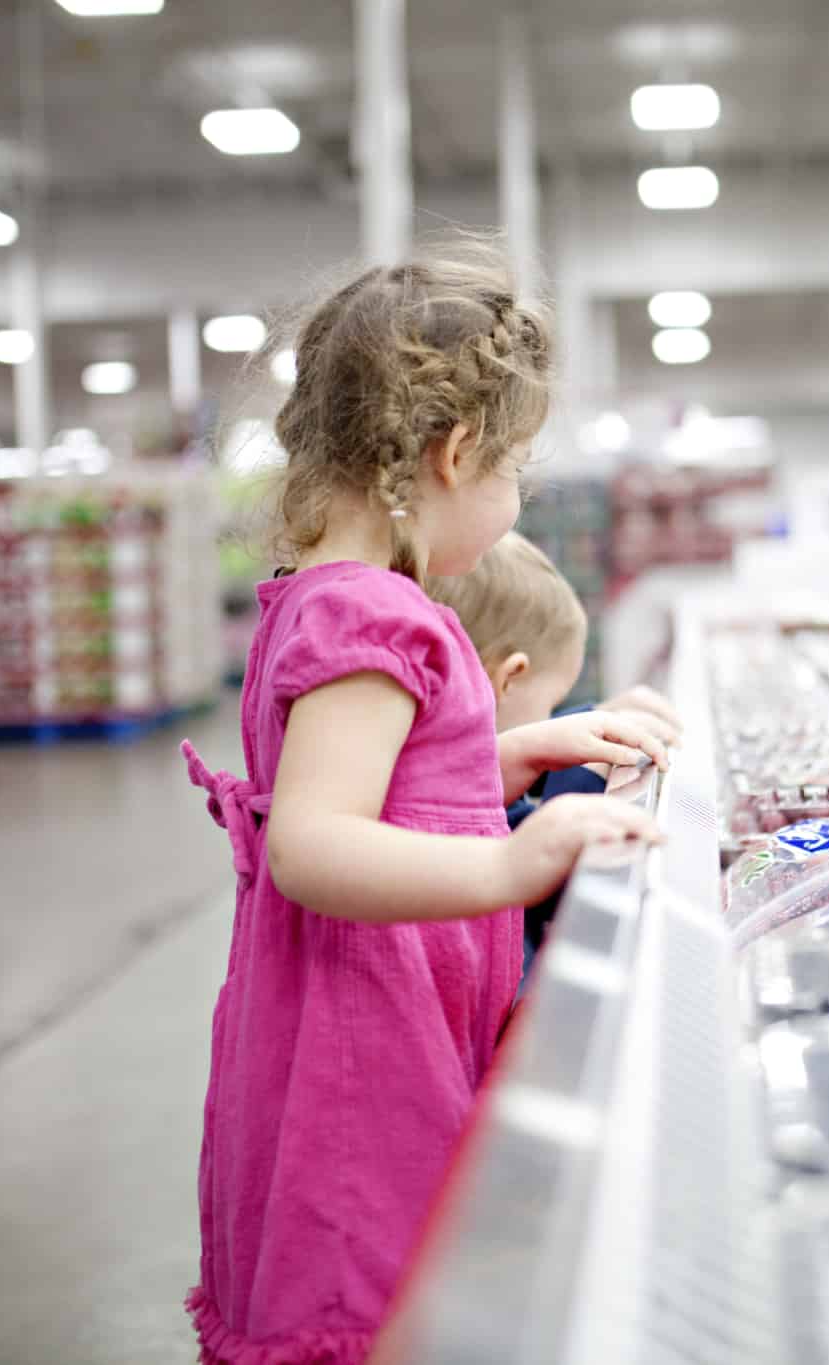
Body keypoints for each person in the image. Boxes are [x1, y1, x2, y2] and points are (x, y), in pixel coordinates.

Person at [177, 242, 669, 1365]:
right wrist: (511, 864)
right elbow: (313, 843)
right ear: (452, 455)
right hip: (362, 1056)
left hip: (371, 1024)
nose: (514, 498)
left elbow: (389, 790)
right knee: (376, 1299)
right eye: (515, 470)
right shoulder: (371, 621)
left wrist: (518, 755)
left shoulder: (336, 602)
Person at [427, 531, 681, 975]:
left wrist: (591, 725)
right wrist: (586, 779)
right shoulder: (443, 824)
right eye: (551, 706)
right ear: (508, 678)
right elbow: (524, 852)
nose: (552, 723)